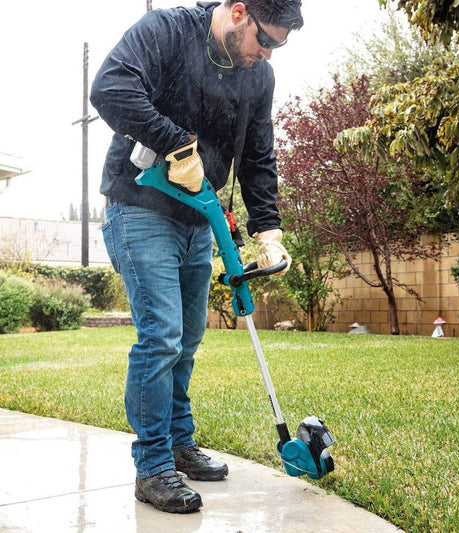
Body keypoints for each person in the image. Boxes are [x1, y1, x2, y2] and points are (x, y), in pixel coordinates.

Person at [90, 0, 303, 515]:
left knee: (187, 339)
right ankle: (153, 466)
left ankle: (180, 443)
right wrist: (178, 147)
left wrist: (268, 229)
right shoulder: (167, 28)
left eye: (279, 46)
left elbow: (257, 154)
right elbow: (110, 87)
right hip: (140, 206)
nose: (268, 55)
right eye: (266, 41)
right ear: (238, 12)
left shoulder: (258, 76)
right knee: (161, 335)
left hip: (198, 219)